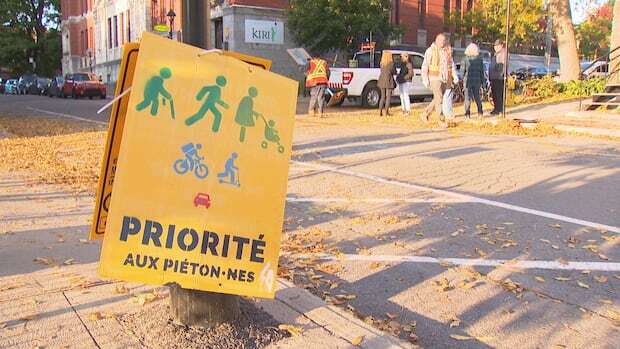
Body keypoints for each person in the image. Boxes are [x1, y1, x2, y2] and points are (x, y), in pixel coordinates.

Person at [421, 34, 457, 123]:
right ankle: (441, 119)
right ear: (436, 40)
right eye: (441, 40)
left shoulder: (446, 51)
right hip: (434, 78)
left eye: (444, 40)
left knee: (438, 98)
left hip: (444, 79)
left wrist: (454, 75)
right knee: (439, 98)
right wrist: (425, 79)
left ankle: (425, 113)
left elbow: (451, 64)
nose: (442, 42)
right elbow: (425, 65)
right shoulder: (430, 50)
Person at [461, 43, 485, 119]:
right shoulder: (480, 60)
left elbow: (462, 72)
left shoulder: (465, 59)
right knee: (477, 97)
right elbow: (482, 72)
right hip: (477, 81)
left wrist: (461, 79)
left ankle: (467, 114)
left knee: (467, 98)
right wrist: (483, 82)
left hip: (467, 81)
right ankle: (480, 113)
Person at [306, 52, 329, 117]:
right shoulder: (324, 62)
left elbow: (306, 71)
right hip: (323, 82)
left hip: (314, 82)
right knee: (321, 97)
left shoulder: (311, 62)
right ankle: (320, 113)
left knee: (314, 96)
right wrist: (326, 79)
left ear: (313, 57)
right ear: (319, 57)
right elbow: (328, 72)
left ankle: (311, 111)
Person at [440, 45, 459, 123]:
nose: (451, 51)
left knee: (449, 97)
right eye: (449, 49)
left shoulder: (450, 59)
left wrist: (455, 77)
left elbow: (453, 69)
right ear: (445, 50)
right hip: (444, 80)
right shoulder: (443, 59)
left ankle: (449, 112)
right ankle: (446, 113)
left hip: (449, 80)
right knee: (446, 97)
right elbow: (441, 69)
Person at [489, 39, 507, 115]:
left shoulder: (503, 53)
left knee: (499, 94)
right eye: (495, 46)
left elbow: (502, 66)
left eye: (497, 46)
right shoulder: (496, 54)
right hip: (494, 77)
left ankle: (500, 110)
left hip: (499, 78)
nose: (495, 47)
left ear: (501, 45)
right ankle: (496, 109)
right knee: (494, 94)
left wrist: (500, 74)